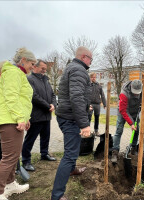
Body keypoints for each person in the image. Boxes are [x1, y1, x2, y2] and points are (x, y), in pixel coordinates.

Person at [0, 47, 36, 200]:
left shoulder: (18, 74)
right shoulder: (13, 73)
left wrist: (25, 118)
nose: (33, 67)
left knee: (13, 156)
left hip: (13, 119)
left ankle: (9, 184)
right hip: (9, 120)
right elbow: (11, 97)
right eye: (32, 63)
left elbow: (21, 100)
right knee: (9, 158)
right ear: (23, 60)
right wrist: (20, 118)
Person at [52, 46, 92, 200]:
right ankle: (57, 195)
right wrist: (84, 124)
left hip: (67, 114)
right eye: (91, 59)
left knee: (72, 149)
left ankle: (72, 169)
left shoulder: (72, 67)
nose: (91, 62)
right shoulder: (79, 70)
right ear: (84, 57)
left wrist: (85, 105)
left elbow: (75, 95)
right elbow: (76, 97)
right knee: (69, 154)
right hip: (70, 118)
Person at [21, 59, 57, 171]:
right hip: (35, 115)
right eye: (42, 68)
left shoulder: (46, 80)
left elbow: (52, 94)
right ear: (35, 67)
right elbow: (34, 96)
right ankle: (26, 161)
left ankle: (44, 154)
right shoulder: (29, 79)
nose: (44, 71)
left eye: (45, 69)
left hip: (46, 115)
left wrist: (53, 104)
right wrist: (48, 106)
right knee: (30, 139)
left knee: (46, 137)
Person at [111, 79, 142, 163]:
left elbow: (141, 102)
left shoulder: (141, 91)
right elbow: (123, 110)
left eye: (137, 92)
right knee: (119, 130)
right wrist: (131, 123)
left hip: (135, 112)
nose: (136, 94)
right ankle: (115, 152)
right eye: (134, 92)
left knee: (136, 130)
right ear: (131, 87)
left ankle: (133, 149)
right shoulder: (124, 93)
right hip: (123, 112)